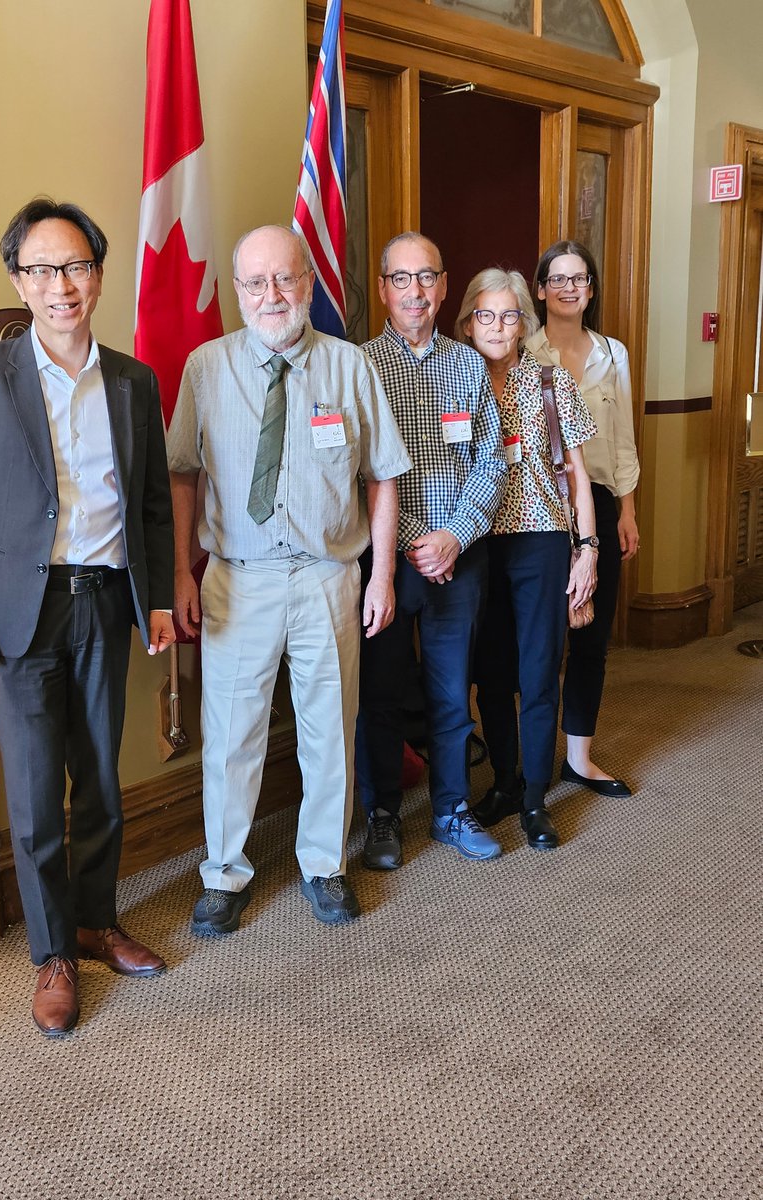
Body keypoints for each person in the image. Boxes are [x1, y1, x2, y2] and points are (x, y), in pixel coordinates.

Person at [0, 198, 176, 1037]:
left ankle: (96, 923)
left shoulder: (134, 380)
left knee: (101, 778)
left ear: (99, 275)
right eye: (41, 270)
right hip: (15, 615)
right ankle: (51, 955)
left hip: (104, 601)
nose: (61, 285)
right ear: (18, 282)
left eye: (75, 267)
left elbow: (150, 506)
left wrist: (161, 599)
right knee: (34, 794)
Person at [167, 225, 411, 934]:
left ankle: (324, 866)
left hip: (328, 578)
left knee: (329, 732)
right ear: (238, 291)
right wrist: (185, 570)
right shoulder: (206, 367)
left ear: (309, 284)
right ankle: (223, 874)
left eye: (285, 280)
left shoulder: (349, 367)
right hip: (235, 581)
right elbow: (183, 472)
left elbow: (384, 477)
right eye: (255, 283)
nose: (271, 295)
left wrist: (382, 574)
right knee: (232, 734)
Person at [354, 233, 507, 870]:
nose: (415, 291)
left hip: (457, 558)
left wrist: (453, 535)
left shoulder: (470, 367)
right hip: (385, 564)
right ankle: (383, 816)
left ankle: (451, 809)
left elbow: (490, 465)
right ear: (384, 289)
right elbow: (353, 469)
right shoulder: (356, 367)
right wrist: (412, 538)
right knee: (381, 693)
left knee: (450, 693)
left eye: (427, 278)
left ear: (445, 288)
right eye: (401, 278)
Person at [455, 268, 597, 850]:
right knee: (488, 673)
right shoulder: (453, 381)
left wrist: (586, 550)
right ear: (467, 323)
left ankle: (536, 796)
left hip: (539, 539)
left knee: (539, 670)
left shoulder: (549, 383)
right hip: (476, 542)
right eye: (486, 315)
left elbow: (578, 476)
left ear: (524, 323)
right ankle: (506, 782)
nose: (497, 326)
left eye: (510, 315)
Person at [526, 240, 640, 795]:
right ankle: (529, 760)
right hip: (541, 506)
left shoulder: (612, 354)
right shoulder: (523, 350)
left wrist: (627, 509)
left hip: (600, 500)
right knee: (543, 636)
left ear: (590, 290)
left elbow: (621, 441)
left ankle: (579, 757)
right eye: (559, 278)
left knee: (591, 635)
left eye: (580, 278)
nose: (570, 287)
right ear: (541, 287)